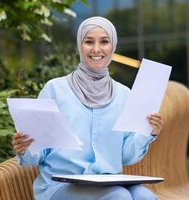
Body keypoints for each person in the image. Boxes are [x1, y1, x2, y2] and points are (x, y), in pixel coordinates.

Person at [11, 16, 163, 200]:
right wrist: (25, 148)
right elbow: (37, 154)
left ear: (112, 46)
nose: (97, 49)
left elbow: (126, 156)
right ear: (79, 46)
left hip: (108, 183)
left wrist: (147, 131)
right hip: (60, 186)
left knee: (144, 196)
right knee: (119, 197)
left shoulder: (124, 94)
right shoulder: (55, 90)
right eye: (89, 42)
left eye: (104, 42)